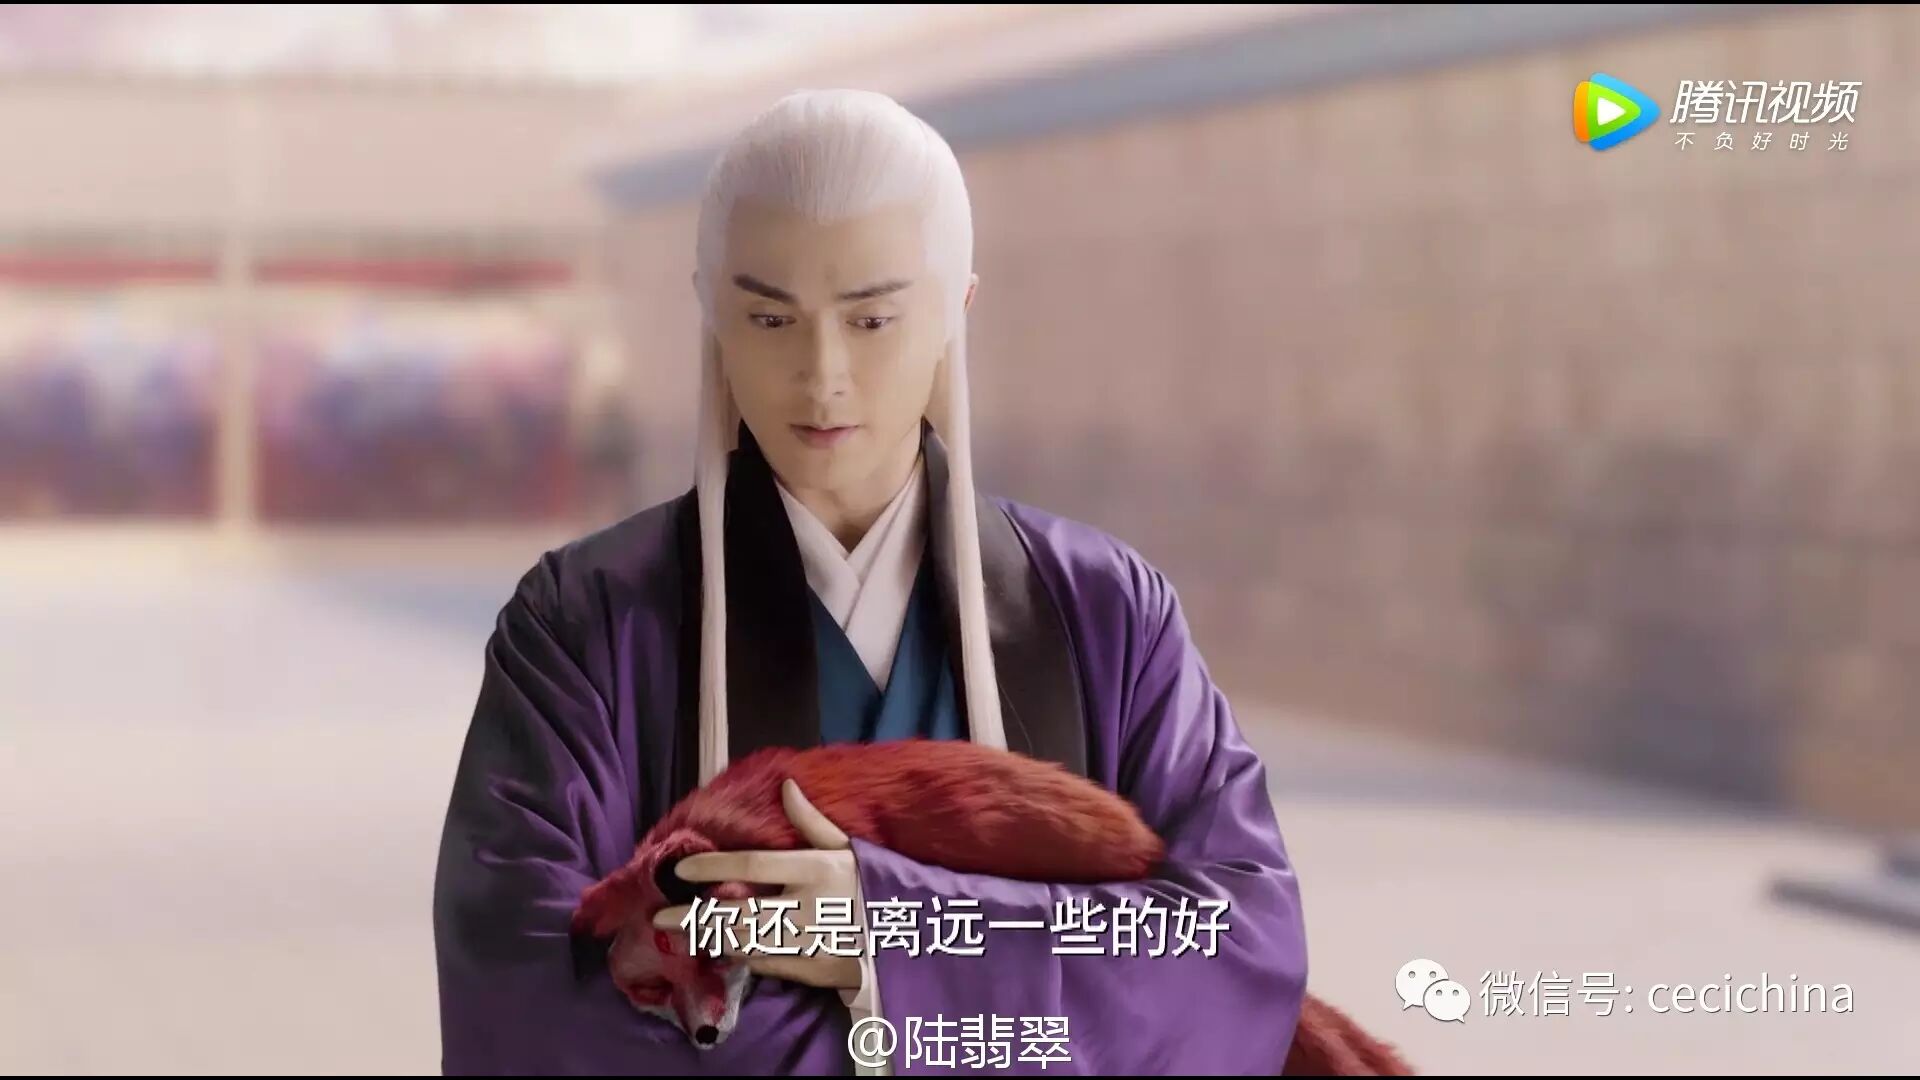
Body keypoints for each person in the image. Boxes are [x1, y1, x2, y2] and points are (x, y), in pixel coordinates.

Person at [431, 88, 1308, 1075]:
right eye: (770, 316)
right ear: (710, 309)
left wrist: (890, 940)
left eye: (873, 318)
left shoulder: (1105, 611)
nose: (823, 374)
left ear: (955, 308)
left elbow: (1242, 951)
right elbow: (518, 1001)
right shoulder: (584, 624)